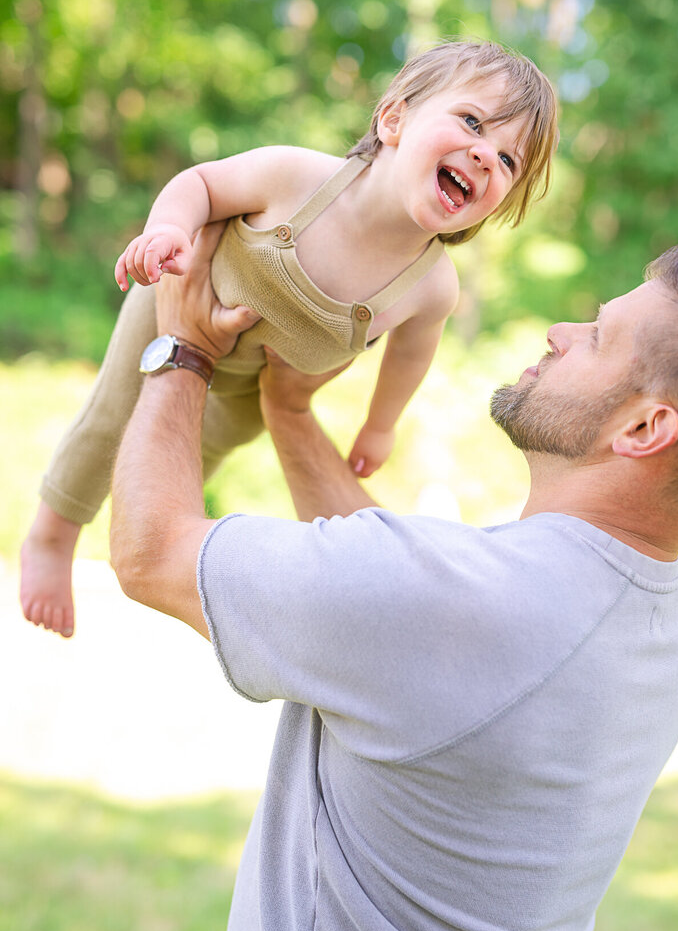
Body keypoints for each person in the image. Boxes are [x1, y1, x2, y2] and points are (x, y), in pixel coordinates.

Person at [109, 232, 678, 931]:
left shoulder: (461, 605)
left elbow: (151, 554)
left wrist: (183, 348)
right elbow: (402, 625)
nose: (560, 334)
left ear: (645, 428)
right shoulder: (658, 619)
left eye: (598, 337)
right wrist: (289, 413)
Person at [19, 39, 559, 639]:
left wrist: (381, 424)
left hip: (255, 387)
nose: (486, 155)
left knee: (191, 458)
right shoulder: (295, 177)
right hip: (174, 307)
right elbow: (201, 183)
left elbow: (411, 354)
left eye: (510, 161)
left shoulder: (430, 286)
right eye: (471, 122)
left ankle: (148, 537)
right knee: (112, 418)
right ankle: (51, 535)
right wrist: (169, 230)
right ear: (394, 118)